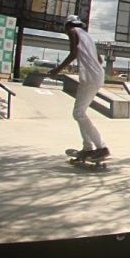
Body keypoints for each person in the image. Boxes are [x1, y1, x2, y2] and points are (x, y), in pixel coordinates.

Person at [49, 15, 110, 161]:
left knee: (78, 113)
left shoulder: (73, 32)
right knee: (79, 113)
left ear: (67, 26)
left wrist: (56, 70)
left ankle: (101, 147)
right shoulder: (87, 36)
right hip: (97, 75)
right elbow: (100, 59)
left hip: (90, 77)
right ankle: (88, 148)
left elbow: (73, 54)